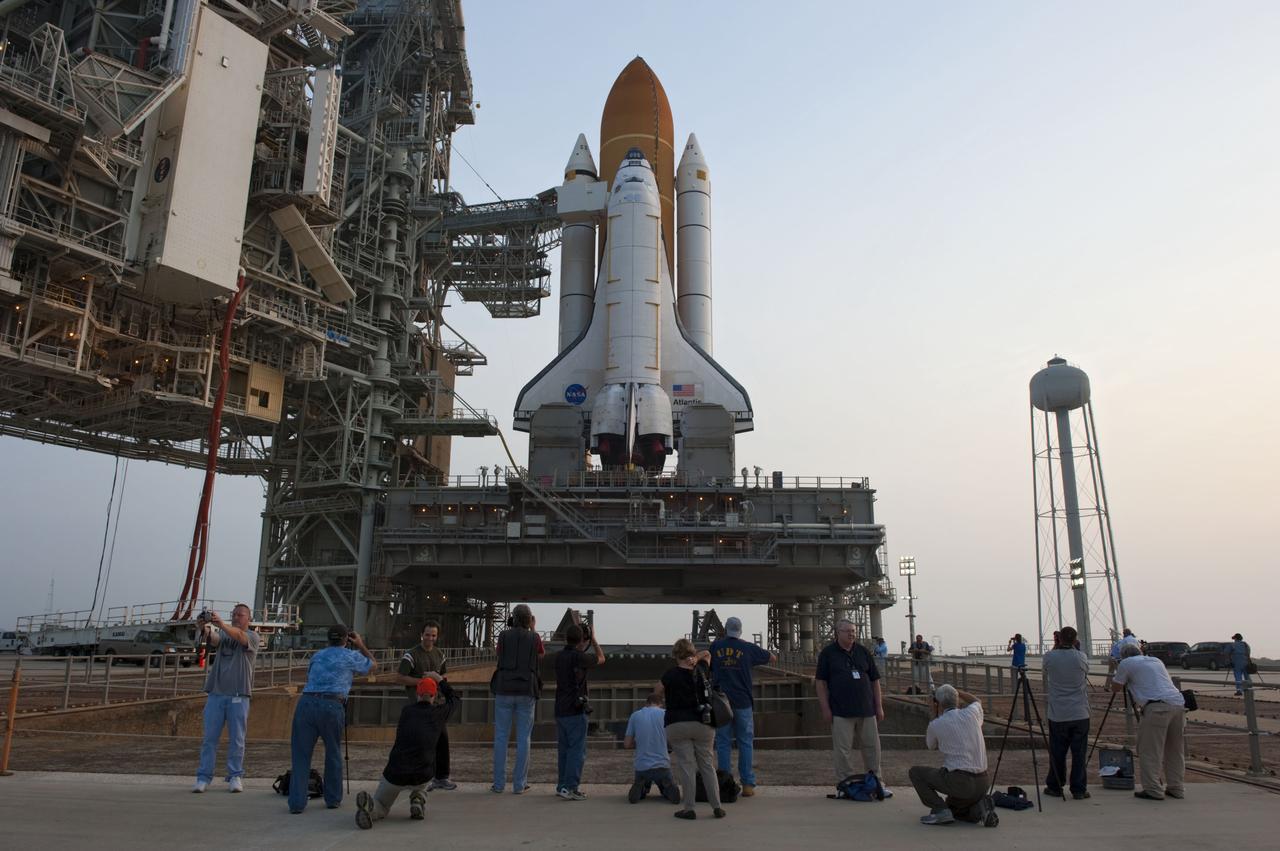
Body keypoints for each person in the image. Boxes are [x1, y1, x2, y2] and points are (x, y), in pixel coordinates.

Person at [289, 625, 376, 813]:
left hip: (306, 703)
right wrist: (360, 645)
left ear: (327, 639)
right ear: (346, 640)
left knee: (301, 755)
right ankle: (333, 799)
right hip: (332, 705)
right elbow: (372, 665)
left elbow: (310, 676)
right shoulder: (350, 656)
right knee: (333, 752)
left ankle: (296, 803)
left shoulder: (317, 656)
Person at [355, 673, 459, 829]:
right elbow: (455, 699)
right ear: (435, 695)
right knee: (425, 777)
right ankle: (417, 799)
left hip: (395, 772)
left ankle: (371, 809)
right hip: (422, 775)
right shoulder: (439, 714)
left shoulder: (406, 712)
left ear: (417, 694)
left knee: (382, 805)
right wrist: (440, 680)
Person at [815, 620, 889, 794]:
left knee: (872, 748)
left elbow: (875, 681)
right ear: (838, 633)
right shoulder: (828, 653)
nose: (851, 634)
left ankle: (877, 782)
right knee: (843, 750)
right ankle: (844, 784)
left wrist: (879, 706)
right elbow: (820, 683)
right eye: (847, 631)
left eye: (854, 631)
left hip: (867, 710)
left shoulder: (863, 652)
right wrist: (825, 708)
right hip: (841, 711)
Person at [193, 603, 260, 793]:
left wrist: (221, 624)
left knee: (237, 739)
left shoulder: (253, 637)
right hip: (216, 693)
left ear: (249, 619)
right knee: (209, 738)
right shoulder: (223, 634)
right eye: (234, 614)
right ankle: (203, 777)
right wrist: (204, 628)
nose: (237, 617)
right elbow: (214, 639)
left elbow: (239, 637)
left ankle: (235, 775)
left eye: (240, 615)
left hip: (239, 694)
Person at [909, 685, 997, 827]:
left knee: (916, 773)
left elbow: (931, 745)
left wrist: (932, 714)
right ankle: (979, 808)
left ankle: (940, 811)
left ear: (938, 704)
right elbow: (977, 701)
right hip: (983, 782)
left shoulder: (936, 724)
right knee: (954, 809)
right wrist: (956, 691)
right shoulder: (971, 713)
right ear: (956, 701)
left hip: (960, 782)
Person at [657, 638, 725, 820]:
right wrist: (695, 658)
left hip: (677, 724)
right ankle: (717, 806)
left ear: (675, 655)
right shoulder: (701, 669)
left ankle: (689, 808)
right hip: (703, 723)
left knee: (686, 766)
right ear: (691, 653)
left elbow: (656, 692)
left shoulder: (669, 675)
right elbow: (708, 654)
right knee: (707, 766)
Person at [709, 616, 775, 796]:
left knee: (723, 742)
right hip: (743, 701)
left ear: (725, 629)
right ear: (740, 630)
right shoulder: (747, 648)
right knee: (745, 742)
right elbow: (772, 657)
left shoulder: (716, 647)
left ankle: (725, 783)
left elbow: (707, 663)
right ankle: (747, 785)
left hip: (721, 702)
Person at [1112, 642, 1186, 800]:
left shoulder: (1126, 663)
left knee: (1150, 751)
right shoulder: (1155, 660)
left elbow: (1116, 687)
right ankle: (1176, 787)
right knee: (1174, 750)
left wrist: (1117, 671)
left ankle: (1153, 789)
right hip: (1178, 705)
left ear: (1123, 656)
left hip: (1156, 708)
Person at [391, 621, 456, 790]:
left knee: (442, 741)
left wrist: (438, 682)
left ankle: (442, 777)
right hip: (417, 706)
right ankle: (422, 778)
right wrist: (424, 682)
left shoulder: (440, 654)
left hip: (436, 705)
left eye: (433, 635)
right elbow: (399, 677)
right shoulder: (411, 655)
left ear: (437, 636)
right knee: (422, 743)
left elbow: (443, 675)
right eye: (427, 635)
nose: (430, 638)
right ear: (422, 634)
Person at [491, 603, 541, 794]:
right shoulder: (534, 637)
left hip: (504, 687)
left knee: (501, 737)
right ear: (529, 619)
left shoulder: (503, 635)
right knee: (524, 738)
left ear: (513, 617)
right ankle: (519, 785)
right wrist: (533, 629)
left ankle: (498, 784)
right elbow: (540, 654)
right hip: (526, 689)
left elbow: (498, 653)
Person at [554, 622, 605, 800]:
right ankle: (571, 787)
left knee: (564, 750)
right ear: (582, 640)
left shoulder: (559, 656)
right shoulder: (580, 657)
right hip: (575, 710)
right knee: (577, 750)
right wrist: (595, 640)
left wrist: (585, 640)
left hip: (560, 708)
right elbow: (601, 658)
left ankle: (562, 786)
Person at [1041, 625, 1091, 799]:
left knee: (1057, 752)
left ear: (1059, 639)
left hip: (1058, 714)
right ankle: (1078, 789)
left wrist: (1056, 646)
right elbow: (1085, 671)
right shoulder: (1081, 657)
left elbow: (1046, 668)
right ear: (1076, 640)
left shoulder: (1050, 657)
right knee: (1079, 754)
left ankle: (1055, 785)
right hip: (1080, 713)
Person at [624, 693, 681, 804]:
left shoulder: (635, 715)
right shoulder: (665, 714)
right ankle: (668, 788)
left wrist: (639, 743)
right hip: (662, 765)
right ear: (661, 703)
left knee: (643, 778)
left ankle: (641, 788)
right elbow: (673, 741)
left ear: (646, 703)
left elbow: (626, 744)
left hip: (642, 766)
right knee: (665, 782)